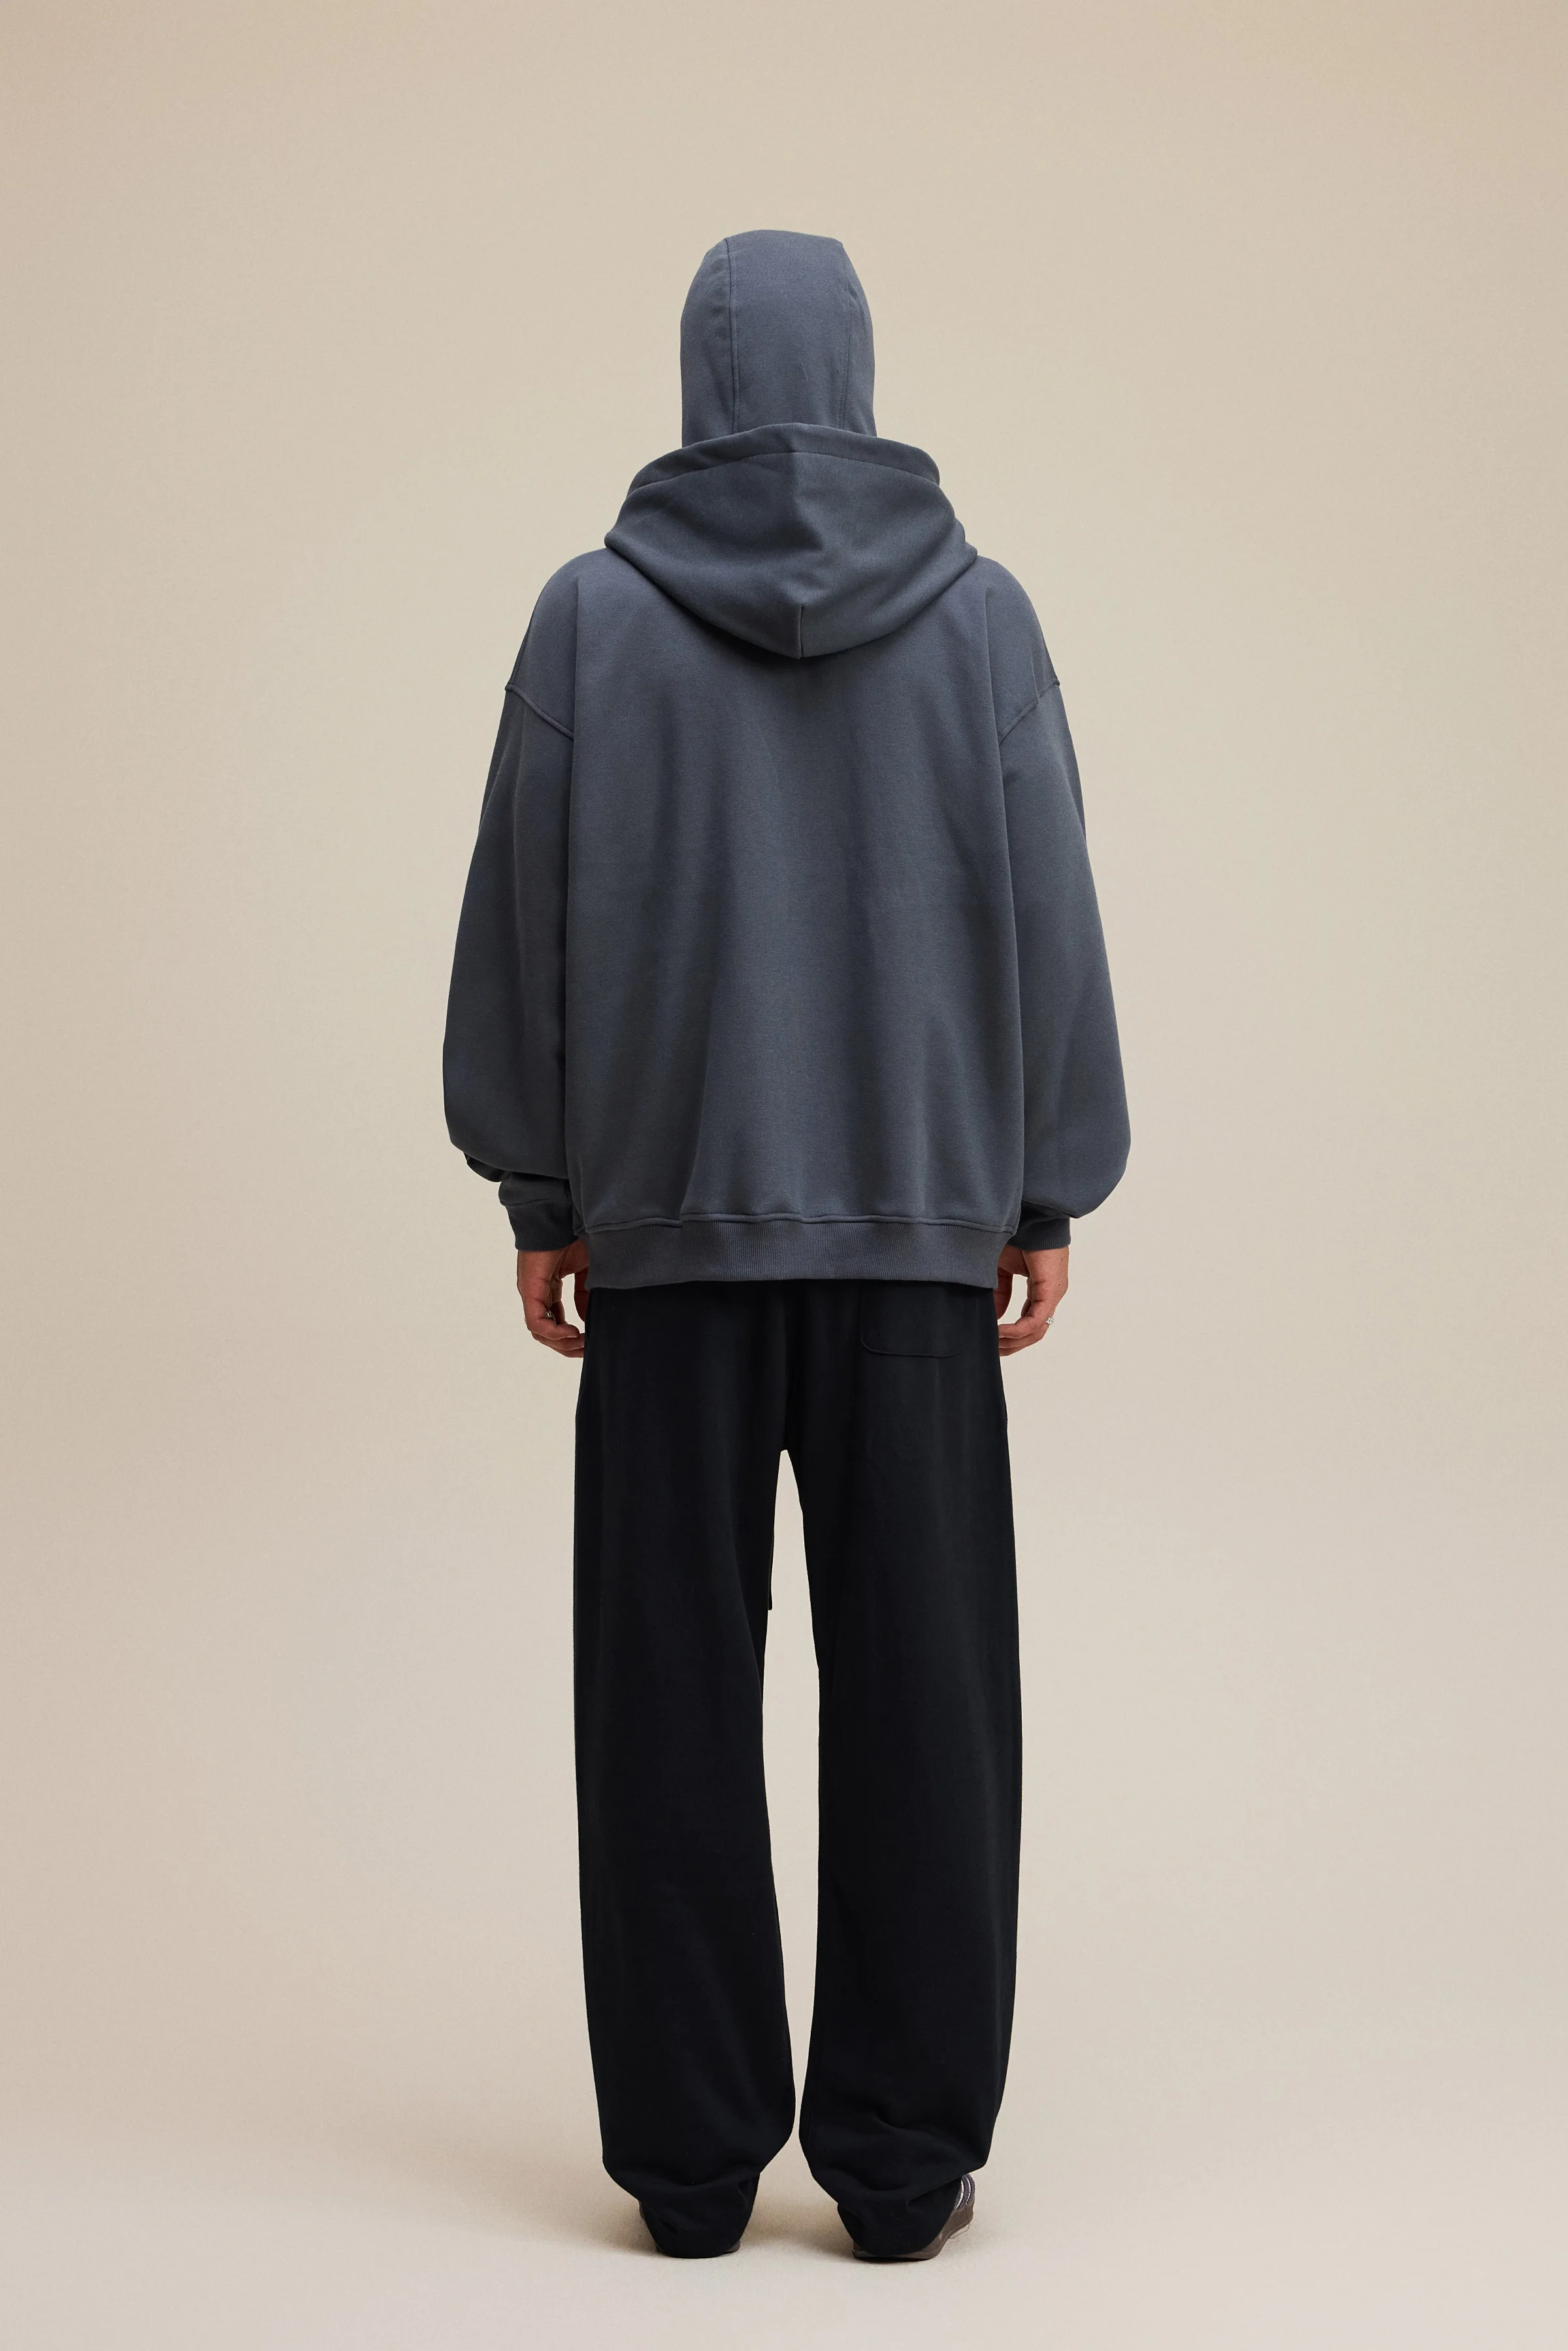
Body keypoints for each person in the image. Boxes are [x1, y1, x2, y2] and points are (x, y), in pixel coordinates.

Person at [443, 229, 1129, 2263]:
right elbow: (1051, 906)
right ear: (859, 373)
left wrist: (544, 1190)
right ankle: (904, 2173)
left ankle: (687, 2166)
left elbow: (520, 920)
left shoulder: (590, 620)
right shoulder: (982, 619)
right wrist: (1041, 1185)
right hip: (918, 1239)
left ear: (700, 378)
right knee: (929, 1702)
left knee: (664, 1698)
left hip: (667, 1243)